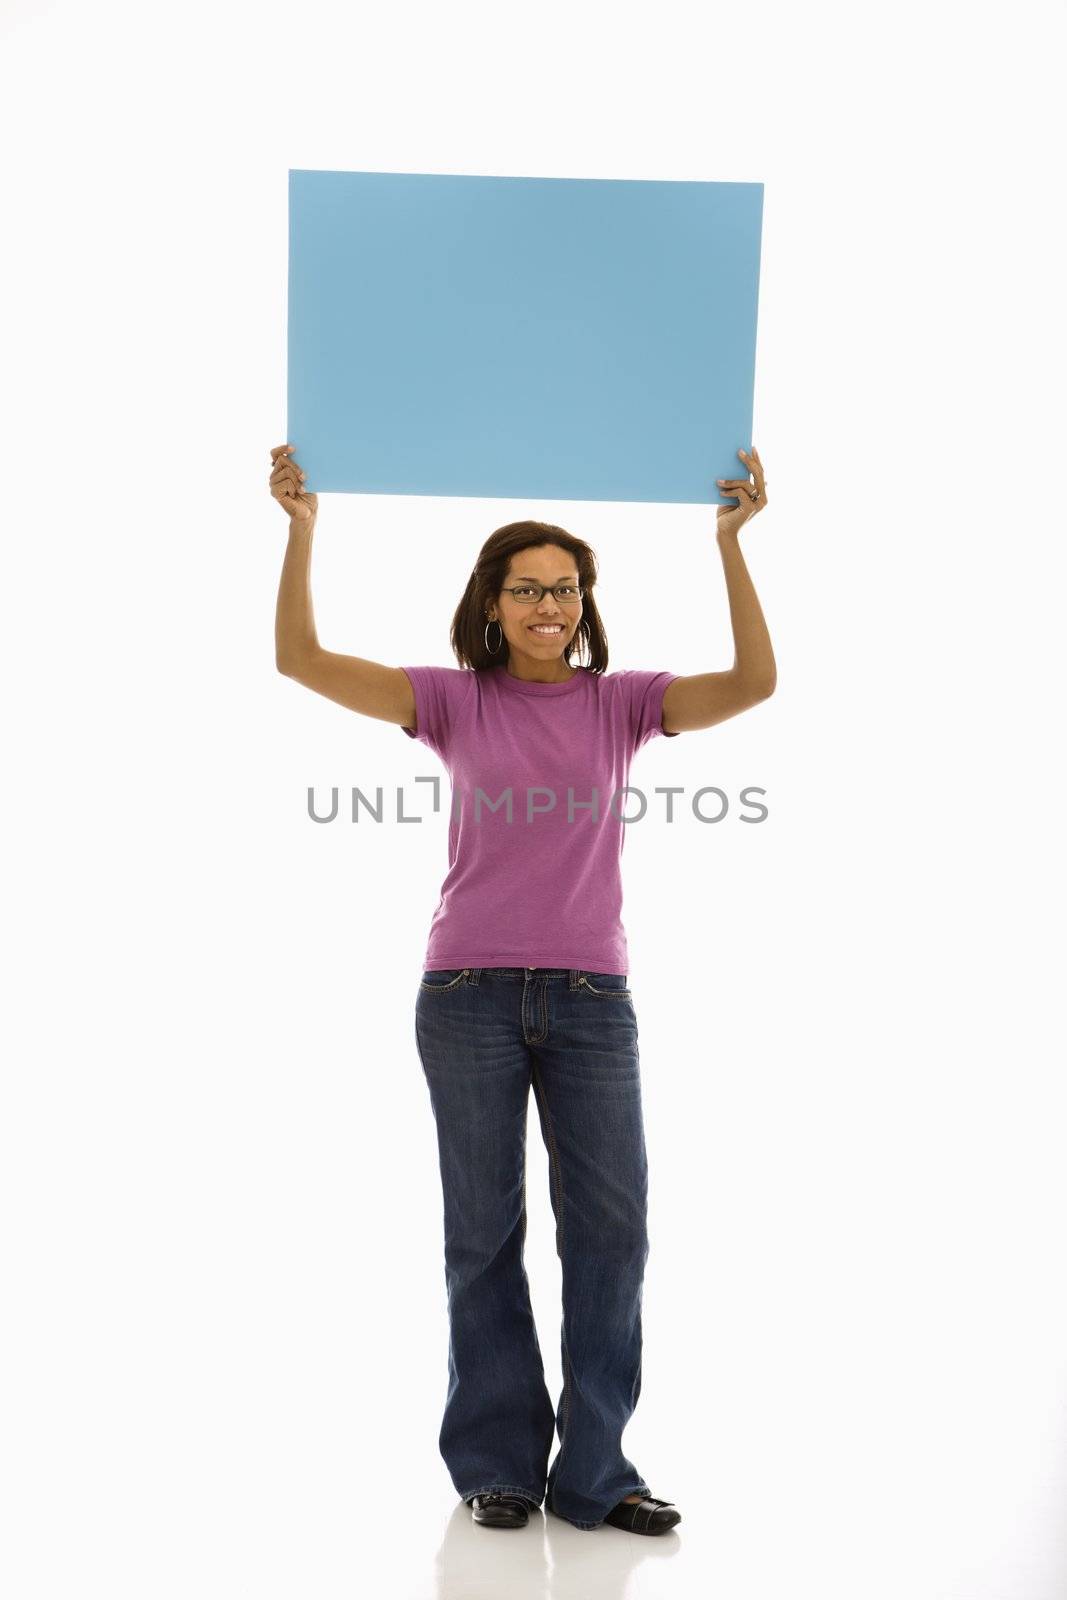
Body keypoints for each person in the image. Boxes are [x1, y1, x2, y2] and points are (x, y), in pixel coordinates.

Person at [269, 442, 775, 1535]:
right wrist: (302, 531)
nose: (549, 603)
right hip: (466, 994)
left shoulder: (624, 704)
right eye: (526, 587)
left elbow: (753, 685)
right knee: (481, 1231)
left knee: (610, 1230)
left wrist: (730, 546)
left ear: (583, 602)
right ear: (492, 605)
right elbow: (299, 658)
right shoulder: (451, 701)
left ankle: (597, 1470)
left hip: (593, 1000)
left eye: (564, 587)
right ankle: (496, 1463)